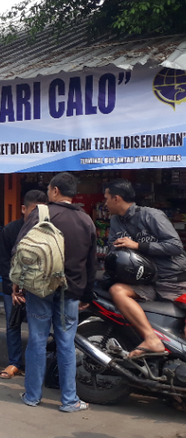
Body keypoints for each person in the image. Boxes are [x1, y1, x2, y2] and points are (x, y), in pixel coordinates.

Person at [13, 172, 95, 412]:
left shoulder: (41, 213)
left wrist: (17, 282)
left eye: (49, 189)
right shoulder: (86, 220)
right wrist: (86, 295)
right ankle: (69, 400)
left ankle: (32, 396)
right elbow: (91, 264)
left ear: (55, 191)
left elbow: (21, 249)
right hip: (71, 291)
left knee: (37, 340)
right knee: (66, 343)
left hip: (40, 288)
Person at [104, 178, 186, 352]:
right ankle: (151, 339)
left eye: (107, 198)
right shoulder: (115, 222)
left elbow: (176, 245)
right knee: (117, 291)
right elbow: (113, 250)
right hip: (147, 282)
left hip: (175, 282)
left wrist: (138, 246)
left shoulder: (151, 215)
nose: (105, 203)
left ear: (116, 198)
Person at [0, 189, 48, 380]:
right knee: (12, 325)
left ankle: (38, 368)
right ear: (23, 209)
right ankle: (14, 362)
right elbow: (3, 262)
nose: (36, 216)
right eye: (33, 211)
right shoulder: (10, 230)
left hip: (40, 287)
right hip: (14, 287)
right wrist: (12, 289)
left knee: (39, 328)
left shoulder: (49, 230)